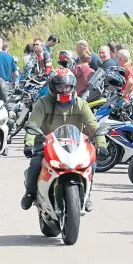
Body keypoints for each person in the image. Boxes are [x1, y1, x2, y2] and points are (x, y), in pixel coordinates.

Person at [21, 68, 108, 212]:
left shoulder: (80, 103)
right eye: (59, 86)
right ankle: (30, 193)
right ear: (52, 87)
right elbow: (33, 124)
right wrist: (29, 143)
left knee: (90, 165)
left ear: (72, 86)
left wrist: (102, 144)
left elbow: (93, 125)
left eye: (66, 86)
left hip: (75, 144)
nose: (63, 90)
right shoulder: (43, 103)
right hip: (46, 144)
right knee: (35, 164)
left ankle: (87, 195)